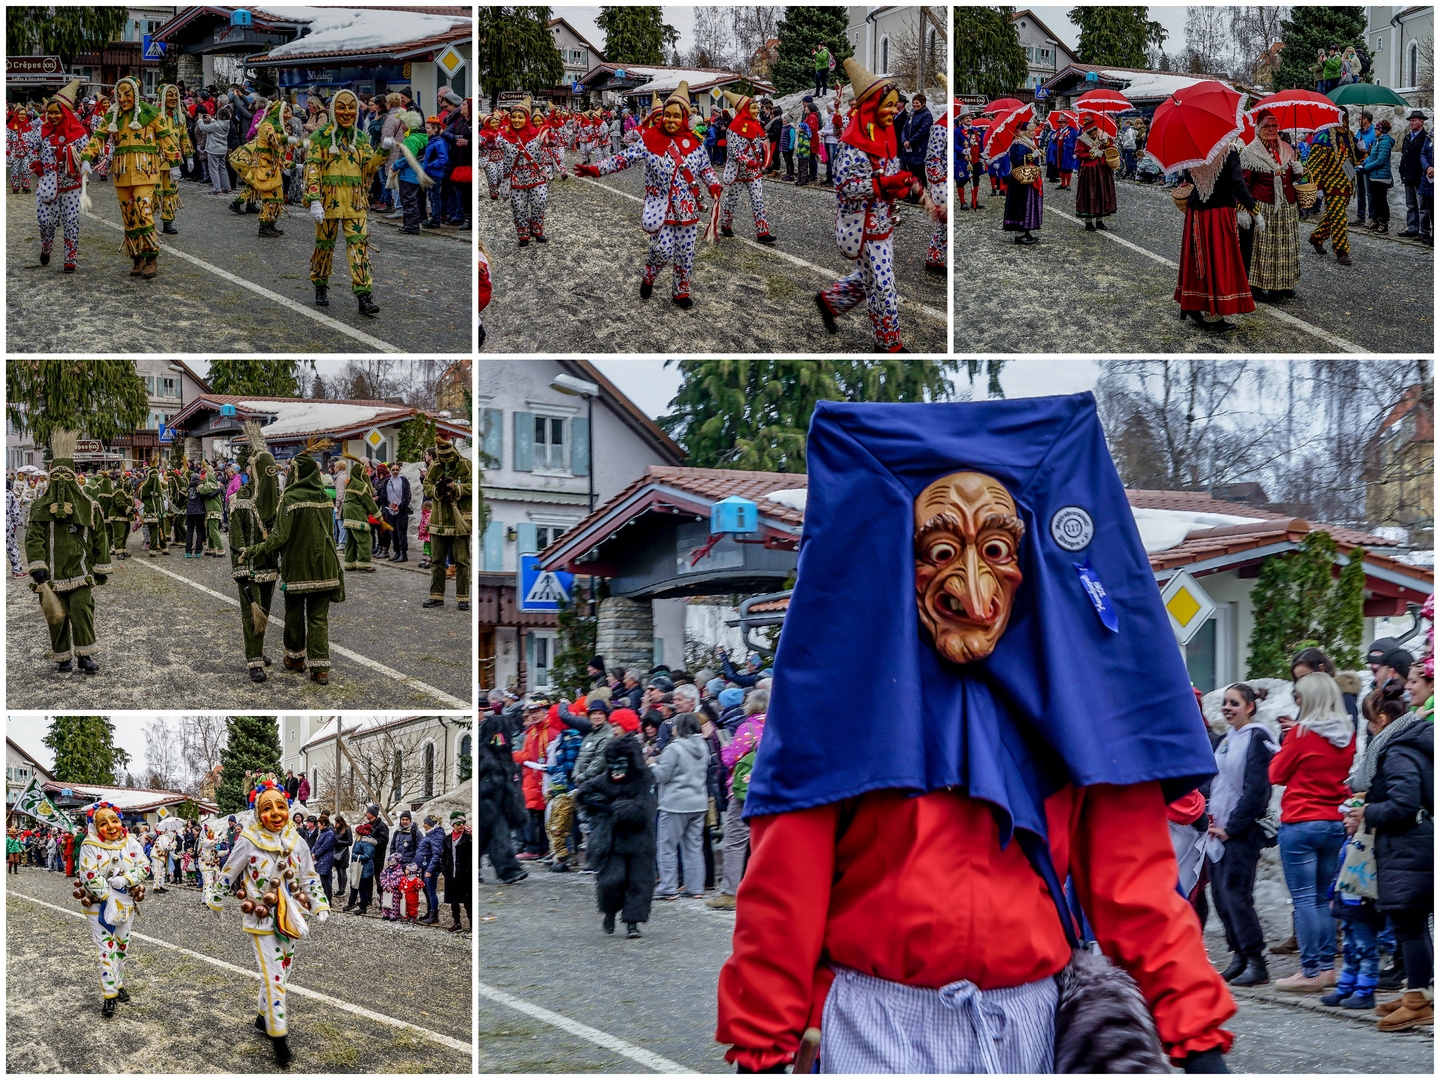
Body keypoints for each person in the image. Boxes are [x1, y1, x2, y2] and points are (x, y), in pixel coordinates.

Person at [716, 397, 1235, 1074]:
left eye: (995, 550)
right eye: (937, 551)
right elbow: (786, 884)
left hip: (1027, 1025)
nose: (969, 589)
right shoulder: (846, 701)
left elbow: (1135, 884)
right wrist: (765, 1042)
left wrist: (1194, 1032)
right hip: (875, 1024)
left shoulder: (1074, 708)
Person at [208, 774, 330, 1066]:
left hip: (291, 918)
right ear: (257, 812)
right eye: (267, 807)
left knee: (282, 973)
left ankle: (263, 1017)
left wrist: (318, 903)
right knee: (274, 975)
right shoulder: (248, 840)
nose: (275, 813)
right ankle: (278, 1035)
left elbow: (309, 875)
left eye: (280, 806)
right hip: (261, 919)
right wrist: (216, 898)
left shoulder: (296, 840)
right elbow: (229, 870)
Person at [576, 83, 722, 309]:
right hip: (660, 207)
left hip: (687, 209)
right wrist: (596, 169)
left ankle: (681, 291)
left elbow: (706, 169)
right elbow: (623, 158)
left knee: (685, 253)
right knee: (662, 250)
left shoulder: (695, 142)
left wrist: (713, 184)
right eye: (667, 115)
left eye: (676, 116)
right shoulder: (649, 139)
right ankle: (650, 274)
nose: (671, 120)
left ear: (684, 118)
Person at [816, 58, 920, 354]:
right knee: (884, 287)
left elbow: (888, 176)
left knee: (871, 279)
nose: (894, 110)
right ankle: (889, 344)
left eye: (895, 105)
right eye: (888, 105)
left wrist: (899, 186)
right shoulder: (851, 144)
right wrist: (883, 185)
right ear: (871, 107)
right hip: (862, 228)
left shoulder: (885, 135)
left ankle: (830, 301)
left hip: (883, 224)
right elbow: (844, 188)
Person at [1347, 690, 1433, 1031]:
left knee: (1409, 927)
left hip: (1408, 848)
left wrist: (1367, 810)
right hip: (1413, 847)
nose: (1367, 728)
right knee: (1412, 926)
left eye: (1369, 719)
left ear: (1382, 720)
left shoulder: (1396, 750)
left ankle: (1418, 1001)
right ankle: (1420, 992)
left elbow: (1404, 803)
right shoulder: (1410, 743)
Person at [1269, 671, 1356, 993]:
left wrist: (1287, 741)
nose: (1297, 701)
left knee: (1304, 899)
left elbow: (1276, 773)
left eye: (1300, 696)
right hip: (1333, 822)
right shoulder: (1348, 734)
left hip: (1301, 822)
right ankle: (1326, 969)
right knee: (1322, 898)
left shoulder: (1300, 734)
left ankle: (1310, 970)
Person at [237, 449, 347, 685]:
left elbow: (279, 537)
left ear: (296, 473)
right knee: (319, 619)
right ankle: (320, 670)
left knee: (294, 614)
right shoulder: (325, 498)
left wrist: (254, 550)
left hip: (298, 567)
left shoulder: (290, 497)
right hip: (326, 568)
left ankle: (295, 659)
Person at [1206, 683, 1277, 988]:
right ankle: (1238, 954)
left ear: (1250, 706)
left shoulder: (1257, 738)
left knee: (1236, 896)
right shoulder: (1225, 740)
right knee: (1221, 896)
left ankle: (1255, 959)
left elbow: (1256, 790)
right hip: (1216, 829)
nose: (1227, 707)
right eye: (1225, 702)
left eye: (1234, 703)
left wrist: (1233, 826)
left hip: (1239, 830)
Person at [25, 429, 111, 674]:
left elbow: (100, 540)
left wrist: (100, 568)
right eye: (57, 478)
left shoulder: (90, 507)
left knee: (82, 612)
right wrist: (38, 567)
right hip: (50, 576)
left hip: (80, 572)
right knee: (57, 619)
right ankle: (63, 658)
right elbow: (34, 539)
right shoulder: (39, 508)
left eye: (66, 477)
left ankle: (85, 656)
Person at [80, 77, 180, 278]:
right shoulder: (112, 116)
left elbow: (166, 137)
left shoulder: (151, 113)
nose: (122, 98)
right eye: (119, 94)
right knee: (128, 217)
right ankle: (136, 257)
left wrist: (174, 162)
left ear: (135, 93)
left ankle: (151, 257)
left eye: (127, 94)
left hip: (146, 173)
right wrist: (87, 157)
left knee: (143, 212)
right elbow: (99, 136)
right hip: (122, 174)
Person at [302, 89, 385, 315]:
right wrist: (314, 200)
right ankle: (320, 285)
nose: (347, 112)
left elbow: (370, 167)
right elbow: (312, 167)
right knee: (324, 246)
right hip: (328, 203)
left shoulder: (361, 138)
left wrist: (383, 152)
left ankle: (364, 296)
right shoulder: (320, 138)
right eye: (342, 107)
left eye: (351, 108)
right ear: (331, 110)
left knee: (359, 248)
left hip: (355, 204)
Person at [575, 734, 657, 938]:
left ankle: (632, 922)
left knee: (639, 883)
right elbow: (584, 792)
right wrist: (595, 802)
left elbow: (645, 808)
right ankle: (610, 911)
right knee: (611, 881)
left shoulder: (645, 778)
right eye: (612, 763)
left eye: (621, 763)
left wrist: (615, 808)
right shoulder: (606, 778)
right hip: (613, 842)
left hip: (640, 842)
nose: (616, 768)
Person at [1175, 139, 1259, 331]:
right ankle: (1213, 316)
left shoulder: (1195, 148)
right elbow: (1237, 183)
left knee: (1198, 259)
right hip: (1219, 212)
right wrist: (1253, 210)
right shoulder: (1229, 151)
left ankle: (1192, 304)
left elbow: (1188, 176)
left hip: (1197, 211)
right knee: (1218, 261)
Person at [75, 801, 148, 1017]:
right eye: (103, 823)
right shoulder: (89, 845)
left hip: (125, 903)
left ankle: (119, 982)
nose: (111, 826)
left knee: (122, 946)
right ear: (96, 826)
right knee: (106, 947)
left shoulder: (130, 842)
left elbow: (144, 865)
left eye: (114, 820)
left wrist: (126, 879)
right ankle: (109, 994)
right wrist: (108, 894)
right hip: (99, 905)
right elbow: (88, 873)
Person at [707, 688, 768, 911]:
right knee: (764, 841)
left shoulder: (747, 727)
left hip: (744, 791)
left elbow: (730, 758)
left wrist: (725, 747)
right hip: (770, 790)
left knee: (735, 841)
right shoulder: (777, 726)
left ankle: (730, 892)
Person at [1240, 111, 1303, 301]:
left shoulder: (1286, 148)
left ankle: (1283, 284)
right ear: (1259, 129)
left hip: (1286, 205)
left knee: (1285, 247)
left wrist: (1299, 170)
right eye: (1267, 126)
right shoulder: (1250, 152)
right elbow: (1244, 183)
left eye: (1274, 126)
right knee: (1264, 249)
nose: (1271, 130)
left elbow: (1290, 176)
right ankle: (1258, 285)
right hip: (1264, 206)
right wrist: (1242, 209)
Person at [649, 712, 709, 900]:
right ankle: (696, 888)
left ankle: (668, 887)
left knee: (666, 846)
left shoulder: (673, 749)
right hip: (699, 802)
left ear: (680, 728)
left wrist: (651, 765)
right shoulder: (703, 746)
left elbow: (662, 776)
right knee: (693, 846)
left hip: (675, 803)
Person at [30, 80, 88, 273]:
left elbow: (88, 153)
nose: (53, 116)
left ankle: (70, 260)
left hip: (71, 186)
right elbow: (32, 149)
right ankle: (46, 248)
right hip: (47, 185)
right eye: (50, 113)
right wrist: (37, 166)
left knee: (71, 223)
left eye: (57, 112)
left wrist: (85, 161)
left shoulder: (79, 133)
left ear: (66, 113)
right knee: (46, 223)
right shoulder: (42, 131)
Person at [717, 91, 775, 244]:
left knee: (758, 200)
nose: (757, 111)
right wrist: (747, 161)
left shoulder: (756, 125)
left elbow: (759, 145)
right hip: (738, 172)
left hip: (753, 171)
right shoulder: (732, 128)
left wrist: (764, 155)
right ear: (744, 110)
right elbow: (733, 151)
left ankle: (763, 232)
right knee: (732, 199)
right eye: (753, 108)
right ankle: (726, 224)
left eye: (757, 108)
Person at [421, 435, 471, 611]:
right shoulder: (435, 466)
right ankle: (436, 596)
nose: (446, 464)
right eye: (442, 461)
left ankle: (463, 598)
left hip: (460, 521)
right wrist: (437, 490)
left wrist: (455, 488)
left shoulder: (466, 465)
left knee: (462, 561)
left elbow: (473, 485)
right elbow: (426, 485)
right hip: (439, 521)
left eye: (448, 460)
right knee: (437, 561)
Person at [499, 96, 557, 246]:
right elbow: (490, 145)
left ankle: (537, 230)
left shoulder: (537, 134)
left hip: (537, 176)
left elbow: (550, 142)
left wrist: (551, 138)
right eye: (513, 117)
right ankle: (523, 234)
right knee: (518, 207)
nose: (516, 120)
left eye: (520, 117)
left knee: (540, 202)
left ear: (527, 119)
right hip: (517, 178)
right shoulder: (504, 137)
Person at [1305, 127, 1354, 265]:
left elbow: (1357, 159)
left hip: (1347, 184)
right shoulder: (1323, 138)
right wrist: (1317, 186)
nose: (1343, 123)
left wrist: (1363, 149)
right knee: (1339, 218)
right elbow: (1315, 164)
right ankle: (1342, 251)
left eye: (1346, 119)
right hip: (1331, 185)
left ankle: (1317, 237)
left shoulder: (1350, 137)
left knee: (1334, 214)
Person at [154, 84, 194, 235]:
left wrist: (189, 156)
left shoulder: (179, 116)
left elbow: (184, 136)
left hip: (174, 162)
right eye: (169, 95)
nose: (173, 98)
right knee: (154, 192)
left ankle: (168, 221)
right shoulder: (154, 114)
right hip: (157, 161)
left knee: (171, 192)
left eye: (175, 95)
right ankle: (147, 221)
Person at [1002, 117, 1044, 245]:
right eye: (1031, 131)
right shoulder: (1018, 143)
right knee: (1021, 205)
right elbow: (1017, 160)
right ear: (1024, 132)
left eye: (1033, 131)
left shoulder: (1028, 142)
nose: (1034, 133)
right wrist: (1032, 155)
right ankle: (1019, 234)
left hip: (1029, 177)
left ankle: (1026, 230)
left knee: (1028, 204)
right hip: (1020, 179)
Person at [1074, 112, 1118, 231]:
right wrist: (1091, 154)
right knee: (1089, 194)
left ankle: (1099, 220)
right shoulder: (1082, 140)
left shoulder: (1103, 135)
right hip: (1089, 171)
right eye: (1091, 133)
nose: (1094, 134)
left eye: (1094, 132)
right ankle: (1088, 221)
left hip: (1103, 169)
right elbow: (1079, 154)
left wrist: (1106, 143)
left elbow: (1112, 149)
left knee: (1101, 194)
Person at [339, 454, 380, 572]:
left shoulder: (350, 483)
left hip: (346, 515)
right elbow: (369, 502)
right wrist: (378, 515)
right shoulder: (361, 485)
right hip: (357, 515)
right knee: (365, 538)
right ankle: (364, 564)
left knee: (351, 540)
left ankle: (349, 563)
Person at [1397, 110, 1430, 239]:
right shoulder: (1407, 137)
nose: (1411, 122)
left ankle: (1423, 231)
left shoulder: (1425, 138)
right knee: (1410, 205)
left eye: (1414, 120)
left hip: (1419, 176)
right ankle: (1412, 228)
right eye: (1410, 120)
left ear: (1421, 122)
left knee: (1422, 206)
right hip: (1407, 175)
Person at [1359, 118, 1395, 233]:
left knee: (1381, 200)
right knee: (1375, 200)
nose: (1374, 130)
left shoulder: (1384, 142)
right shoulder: (1377, 141)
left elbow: (1381, 160)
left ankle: (1384, 223)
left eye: (1376, 128)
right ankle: (1377, 220)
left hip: (1382, 176)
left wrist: (1366, 168)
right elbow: (1372, 157)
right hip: (1374, 175)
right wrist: (1363, 164)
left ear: (1381, 130)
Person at [442, 810, 472, 930]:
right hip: (451, 874)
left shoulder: (468, 838)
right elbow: (443, 857)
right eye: (458, 823)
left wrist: (468, 871)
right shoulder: (448, 839)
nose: (461, 825)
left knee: (468, 901)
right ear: (453, 824)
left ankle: (472, 924)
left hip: (464, 875)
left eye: (463, 822)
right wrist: (444, 870)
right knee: (454, 900)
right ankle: (456, 922)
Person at [348, 821, 377, 914]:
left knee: (362, 888)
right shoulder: (360, 841)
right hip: (360, 868)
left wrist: (355, 856)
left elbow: (367, 855)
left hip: (364, 869)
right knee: (355, 885)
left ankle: (363, 906)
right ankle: (352, 902)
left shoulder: (365, 842)